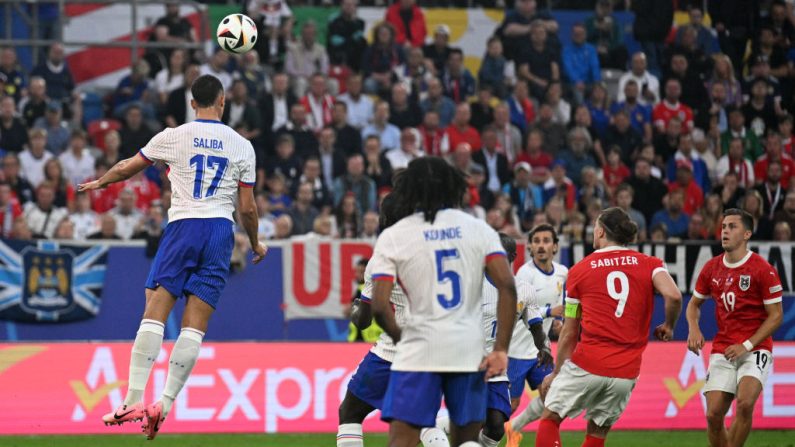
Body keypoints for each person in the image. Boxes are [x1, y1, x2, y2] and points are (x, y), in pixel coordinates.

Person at [79, 74, 267, 439]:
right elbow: (247, 208)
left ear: (192, 103)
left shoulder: (173, 135)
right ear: (223, 101)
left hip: (184, 226)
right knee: (194, 326)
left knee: (155, 309)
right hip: (219, 231)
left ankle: (133, 399)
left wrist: (101, 183)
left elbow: (128, 167)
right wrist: (256, 243)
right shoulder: (242, 145)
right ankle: (162, 404)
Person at [369, 157, 517, 447]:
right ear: (454, 187)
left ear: (409, 188)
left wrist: (403, 340)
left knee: (402, 440)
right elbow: (507, 286)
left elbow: (378, 306)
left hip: (419, 350)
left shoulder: (394, 236)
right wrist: (500, 349)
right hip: (467, 349)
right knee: (466, 440)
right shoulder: (479, 230)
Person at [535, 207, 682, 447]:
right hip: (626, 372)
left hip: (588, 363)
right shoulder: (650, 263)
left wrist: (557, 372)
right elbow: (674, 296)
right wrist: (669, 325)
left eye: (594, 228)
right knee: (597, 433)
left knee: (550, 419)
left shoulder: (580, 271)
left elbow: (570, 332)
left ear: (601, 231)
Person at [337, 193, 449, 447]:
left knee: (350, 412)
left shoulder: (382, 258)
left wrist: (356, 308)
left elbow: (364, 320)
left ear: (384, 219)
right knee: (420, 422)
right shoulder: (436, 249)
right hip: (437, 346)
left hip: (394, 349)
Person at [687, 208, 784, 447]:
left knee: (745, 403)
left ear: (747, 234)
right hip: (723, 348)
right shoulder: (711, 268)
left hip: (756, 347)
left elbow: (776, 316)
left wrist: (747, 345)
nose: (725, 231)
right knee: (713, 415)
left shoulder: (763, 270)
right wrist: (693, 328)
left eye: (732, 227)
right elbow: (694, 305)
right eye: (723, 227)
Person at [504, 224, 569, 447]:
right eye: (537, 241)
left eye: (546, 240)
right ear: (530, 247)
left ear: (555, 246)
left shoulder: (562, 272)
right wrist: (551, 312)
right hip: (515, 350)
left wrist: (559, 321)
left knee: (551, 396)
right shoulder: (525, 273)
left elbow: (562, 303)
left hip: (540, 350)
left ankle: (514, 428)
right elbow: (519, 308)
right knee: (508, 406)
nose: (541, 245)